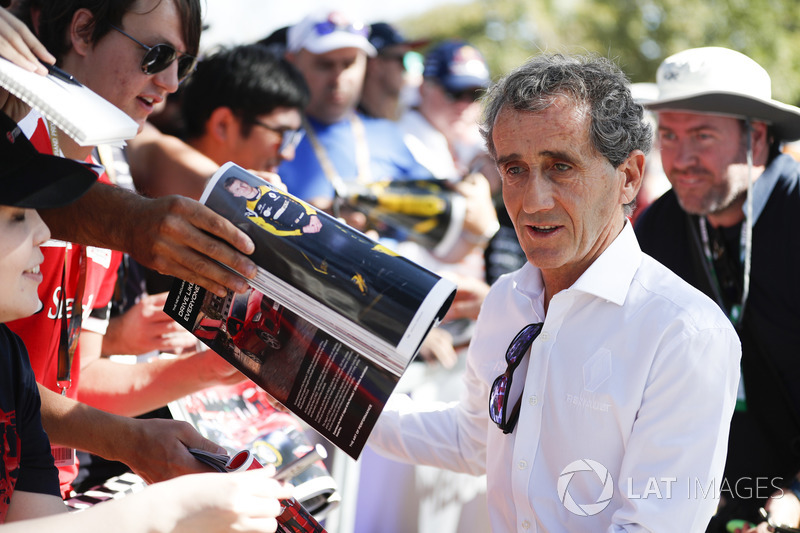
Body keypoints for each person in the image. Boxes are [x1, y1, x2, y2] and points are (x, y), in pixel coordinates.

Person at [367, 52, 741, 531]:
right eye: (514, 169)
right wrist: (325, 382)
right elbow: (473, 439)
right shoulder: (506, 300)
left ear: (628, 177)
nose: (532, 200)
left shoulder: (685, 334)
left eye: (560, 167)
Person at [0, 107, 293, 532]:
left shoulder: (8, 360)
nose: (46, 232)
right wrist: (163, 513)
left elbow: (39, 518)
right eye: (17, 216)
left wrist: (205, 369)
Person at [0, 1, 250, 496]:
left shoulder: (111, 169)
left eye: (186, 62)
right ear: (84, 29)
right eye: (157, 55)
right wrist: (127, 442)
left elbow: (78, 377)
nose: (173, 82)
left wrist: (208, 370)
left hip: (46, 489)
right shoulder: (11, 137)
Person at [633, 47, 800, 532]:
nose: (681, 159)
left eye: (702, 136)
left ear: (759, 137)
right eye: (668, 135)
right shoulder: (658, 228)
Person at [279, 9, 432, 212]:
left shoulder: (387, 134)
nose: (338, 78)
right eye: (325, 65)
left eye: (349, 63)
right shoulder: (272, 137)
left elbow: (441, 205)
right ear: (293, 62)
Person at [180, 44, 309, 176]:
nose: (288, 154)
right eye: (282, 133)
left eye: (294, 137)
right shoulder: (160, 185)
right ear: (222, 124)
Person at [358, 21, 426, 121]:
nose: (406, 68)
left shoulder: (398, 121)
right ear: (375, 65)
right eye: (402, 59)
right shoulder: (349, 125)